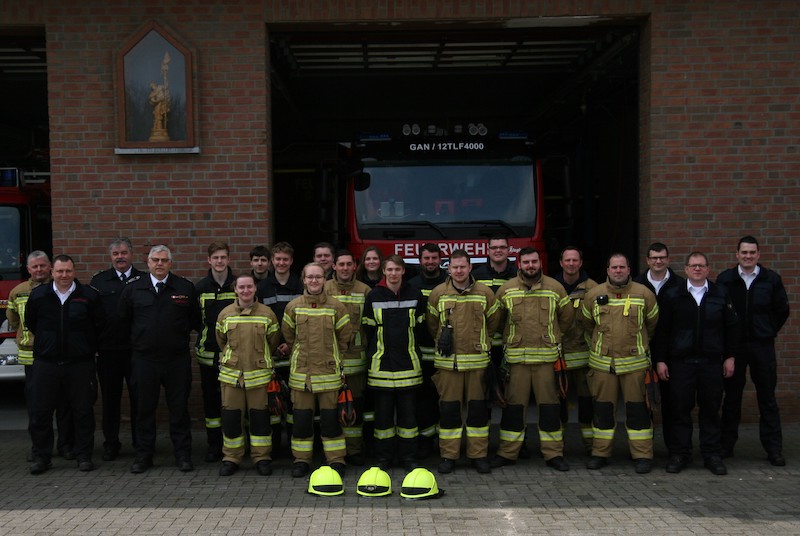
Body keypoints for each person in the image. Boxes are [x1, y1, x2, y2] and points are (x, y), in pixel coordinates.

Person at [654, 252, 739, 475]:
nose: (697, 269)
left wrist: (730, 356)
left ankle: (712, 455)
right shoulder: (673, 294)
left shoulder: (720, 294)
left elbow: (731, 328)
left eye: (701, 265)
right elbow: (662, 331)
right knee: (679, 410)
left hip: (711, 363)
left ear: (708, 269)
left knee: (711, 410)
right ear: (686, 269)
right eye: (693, 266)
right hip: (681, 363)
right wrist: (660, 360)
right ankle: (680, 454)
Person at [118, 245, 200, 474]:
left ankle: (183, 455)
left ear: (170, 263)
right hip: (145, 360)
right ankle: (144, 456)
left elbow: (195, 320)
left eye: (164, 260)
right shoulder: (133, 289)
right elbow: (123, 321)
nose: (160, 264)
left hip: (176, 360)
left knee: (179, 409)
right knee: (144, 409)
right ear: (148, 262)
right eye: (155, 260)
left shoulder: (184, 288)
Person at [491, 247, 572, 471]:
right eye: (526, 262)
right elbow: (497, 320)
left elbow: (566, 319)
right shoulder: (506, 289)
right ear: (519, 264)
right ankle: (508, 453)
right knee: (513, 409)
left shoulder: (555, 288)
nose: (530, 266)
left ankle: (553, 454)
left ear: (540, 263)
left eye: (534, 261)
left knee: (550, 409)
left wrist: (551, 337)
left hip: (547, 361)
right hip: (517, 362)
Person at [580, 253, 659, 474]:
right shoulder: (593, 295)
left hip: (634, 365)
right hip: (603, 365)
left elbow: (651, 324)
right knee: (602, 411)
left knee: (638, 412)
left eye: (622, 267)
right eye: (614, 267)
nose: (618, 270)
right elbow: (587, 324)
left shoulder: (644, 294)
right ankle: (600, 453)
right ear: (607, 270)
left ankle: (642, 455)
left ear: (628, 269)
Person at [25, 254, 103, 474]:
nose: (64, 275)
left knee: (83, 412)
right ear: (52, 272)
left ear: (74, 272)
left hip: (79, 364)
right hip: (46, 364)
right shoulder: (39, 296)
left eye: (68, 271)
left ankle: (84, 456)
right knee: (41, 413)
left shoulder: (89, 296)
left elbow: (99, 325)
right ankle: (42, 458)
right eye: (60, 271)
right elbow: (32, 322)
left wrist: (83, 347)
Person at [717, 236, 790, 466]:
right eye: (744, 252)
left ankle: (774, 449)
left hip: (762, 345)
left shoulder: (771, 279)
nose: (748, 256)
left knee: (767, 398)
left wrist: (767, 330)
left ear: (758, 254)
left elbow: (782, 310)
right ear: (737, 254)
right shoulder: (726, 279)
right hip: (735, 347)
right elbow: (720, 311)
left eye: (752, 252)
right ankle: (726, 446)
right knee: (732, 398)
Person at [427, 249, 500, 474]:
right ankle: (449, 456)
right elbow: (432, 324)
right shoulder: (438, 293)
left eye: (462, 267)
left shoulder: (485, 293)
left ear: (470, 267)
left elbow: (494, 322)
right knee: (449, 412)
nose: (459, 271)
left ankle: (478, 456)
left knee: (478, 413)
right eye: (455, 267)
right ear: (448, 269)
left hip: (477, 365)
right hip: (449, 365)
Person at [281, 262, 352, 478]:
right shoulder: (293, 307)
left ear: (324, 279)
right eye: (310, 277)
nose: (314, 280)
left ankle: (336, 460)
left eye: (318, 277)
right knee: (301, 422)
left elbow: (344, 338)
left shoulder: (336, 307)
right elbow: (289, 337)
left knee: (331, 422)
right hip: (302, 376)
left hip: (328, 375)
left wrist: (332, 357)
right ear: (304, 280)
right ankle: (301, 460)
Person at [8, 251, 74, 460]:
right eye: (34, 266)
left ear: (50, 268)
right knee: (37, 407)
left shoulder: (60, 289)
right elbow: (14, 321)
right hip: (31, 358)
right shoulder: (18, 292)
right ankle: (39, 448)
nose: (39, 270)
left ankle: (65, 446)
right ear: (28, 269)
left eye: (43, 266)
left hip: (57, 356)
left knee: (64, 404)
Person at [363, 255, 426, 471]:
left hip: (409, 365)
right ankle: (384, 458)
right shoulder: (374, 296)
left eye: (397, 270)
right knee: (383, 420)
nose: (393, 273)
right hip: (381, 365)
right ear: (383, 271)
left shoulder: (415, 294)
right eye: (389, 269)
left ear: (403, 271)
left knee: (409, 419)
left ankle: (408, 457)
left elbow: (421, 328)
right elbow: (368, 330)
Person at [215, 274, 281, 476]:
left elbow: (273, 341)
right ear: (235, 289)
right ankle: (231, 458)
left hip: (259, 377)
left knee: (260, 419)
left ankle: (262, 458)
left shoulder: (267, 314)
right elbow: (221, 341)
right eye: (241, 287)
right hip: (231, 377)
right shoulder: (225, 314)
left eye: (249, 287)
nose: (246, 291)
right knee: (231, 419)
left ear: (255, 288)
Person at [90, 237, 144, 461]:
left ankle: (141, 443)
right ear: (110, 256)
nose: (120, 257)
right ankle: (111, 443)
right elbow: (92, 317)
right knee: (110, 400)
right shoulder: (99, 281)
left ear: (131, 254)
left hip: (136, 351)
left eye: (123, 253)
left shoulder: (144, 280)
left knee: (139, 399)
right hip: (108, 351)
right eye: (115, 254)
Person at [633, 242, 685, 449]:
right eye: (654, 258)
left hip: (672, 351)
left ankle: (674, 449)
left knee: (672, 402)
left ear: (668, 259)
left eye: (662, 257)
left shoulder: (681, 285)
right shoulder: (636, 285)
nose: (658, 261)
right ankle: (644, 449)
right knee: (642, 401)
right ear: (647, 260)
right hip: (642, 350)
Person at [324, 250, 372, 466]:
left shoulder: (365, 290)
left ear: (355, 266)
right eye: (341, 264)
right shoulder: (324, 289)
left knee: (355, 407)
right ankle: (335, 453)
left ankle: (354, 450)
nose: (344, 268)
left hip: (356, 359)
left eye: (348, 264)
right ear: (334, 266)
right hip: (329, 360)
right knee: (331, 408)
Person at [256, 241, 303, 455]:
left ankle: (294, 445)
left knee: (294, 402)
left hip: (295, 353)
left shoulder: (300, 286)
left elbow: (303, 320)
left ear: (291, 261)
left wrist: (290, 344)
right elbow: (259, 321)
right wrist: (273, 345)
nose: (281, 263)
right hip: (272, 353)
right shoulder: (262, 287)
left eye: (285, 259)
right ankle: (274, 447)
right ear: (272, 262)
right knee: (272, 401)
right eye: (278, 259)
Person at [194, 241, 236, 462]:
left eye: (223, 257)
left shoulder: (238, 286)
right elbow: (194, 321)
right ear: (209, 260)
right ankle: (214, 446)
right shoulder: (200, 288)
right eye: (216, 258)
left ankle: (236, 445)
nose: (219, 261)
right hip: (208, 357)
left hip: (235, 357)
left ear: (229, 259)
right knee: (211, 403)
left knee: (235, 403)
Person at [553, 246, 597, 454]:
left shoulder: (593, 289)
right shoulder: (550, 287)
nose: (571, 264)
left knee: (588, 403)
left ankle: (591, 446)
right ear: (561, 263)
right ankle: (557, 447)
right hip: (558, 356)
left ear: (581, 263)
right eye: (567, 260)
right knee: (558, 403)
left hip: (585, 356)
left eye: (575, 260)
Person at [407, 243, 447, 458]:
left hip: (446, 353)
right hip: (421, 353)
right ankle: (425, 442)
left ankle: (445, 442)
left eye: (434, 258)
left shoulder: (449, 283)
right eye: (426, 258)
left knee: (446, 401)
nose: (430, 262)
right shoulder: (412, 285)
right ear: (420, 260)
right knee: (423, 402)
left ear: (440, 259)